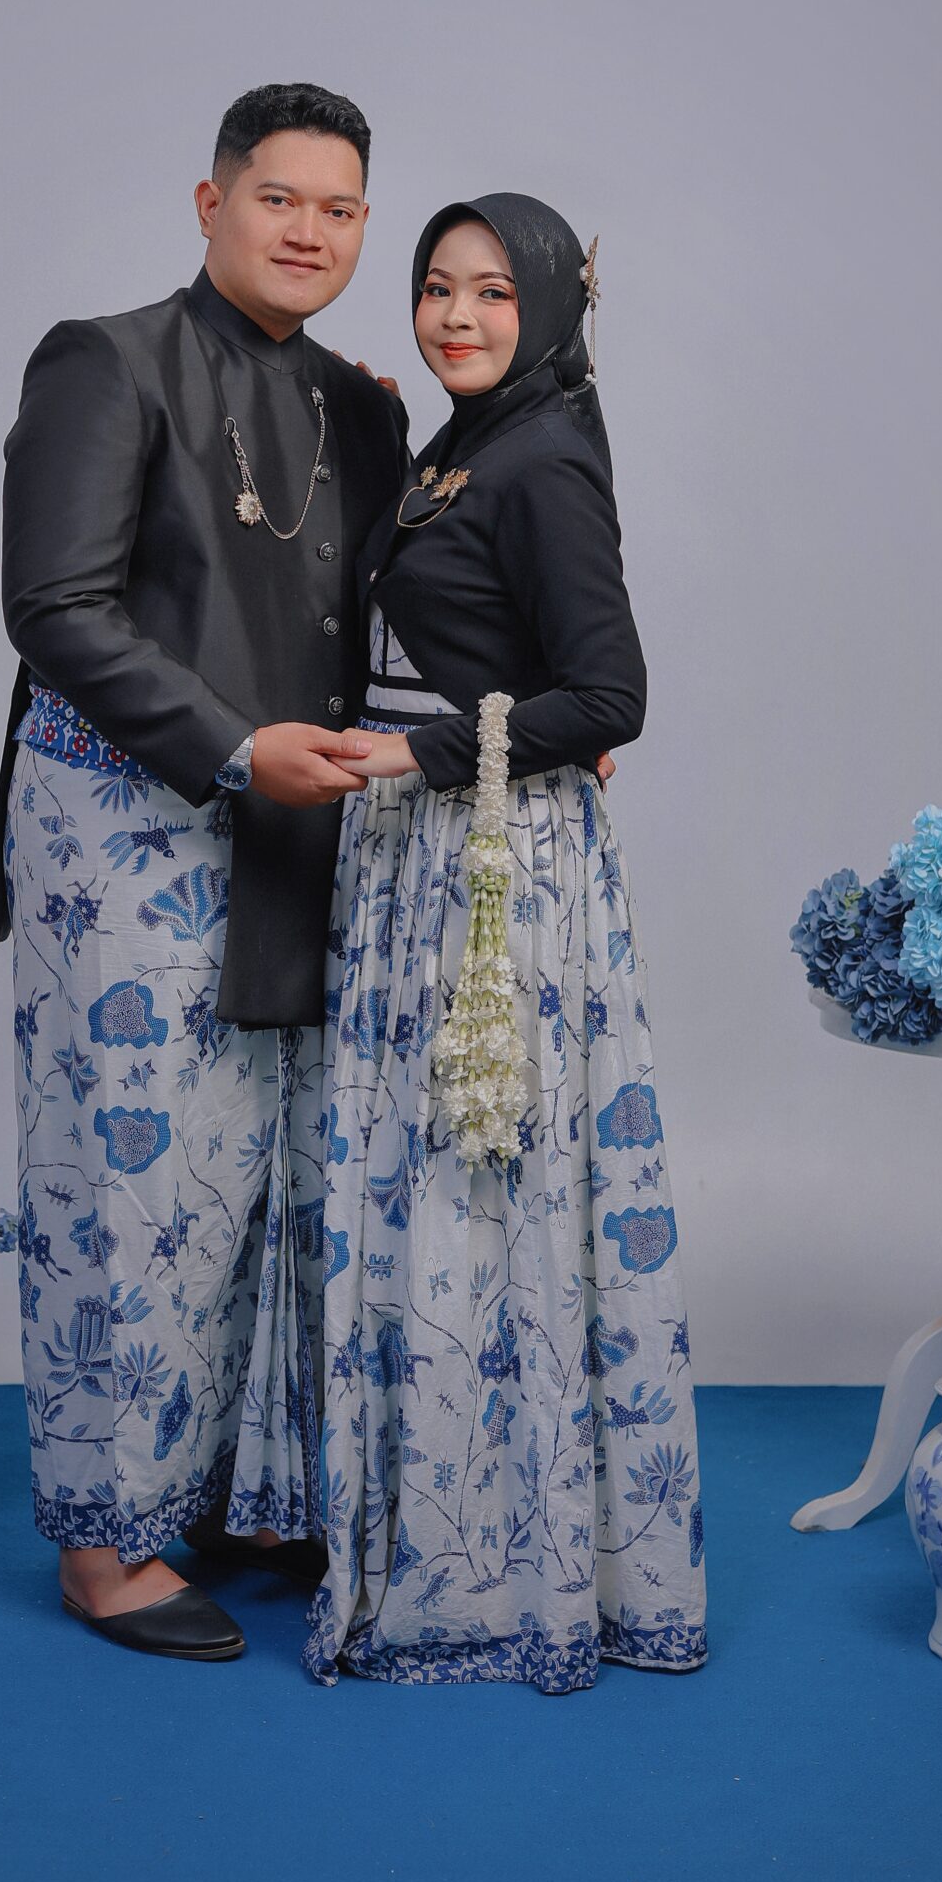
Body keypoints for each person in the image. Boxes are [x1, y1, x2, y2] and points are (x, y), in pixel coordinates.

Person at [0, 83, 408, 1660]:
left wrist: (539, 723)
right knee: (133, 1183)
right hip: (129, 826)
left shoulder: (364, 408)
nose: (308, 230)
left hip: (303, 829)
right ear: (210, 201)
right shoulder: (105, 361)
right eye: (278, 197)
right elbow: (55, 609)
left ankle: (240, 1491)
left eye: (340, 209)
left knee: (274, 1178)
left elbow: (415, 609)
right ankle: (107, 1550)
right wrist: (233, 749)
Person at [308, 193, 707, 1691]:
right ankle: (442, 1531)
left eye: (491, 292)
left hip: (490, 863)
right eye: (436, 287)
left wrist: (419, 755)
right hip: (421, 847)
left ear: (548, 305)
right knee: (441, 1196)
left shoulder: (542, 461)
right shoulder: (464, 443)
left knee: (489, 1190)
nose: (457, 316)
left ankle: (500, 1572)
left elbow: (610, 698)